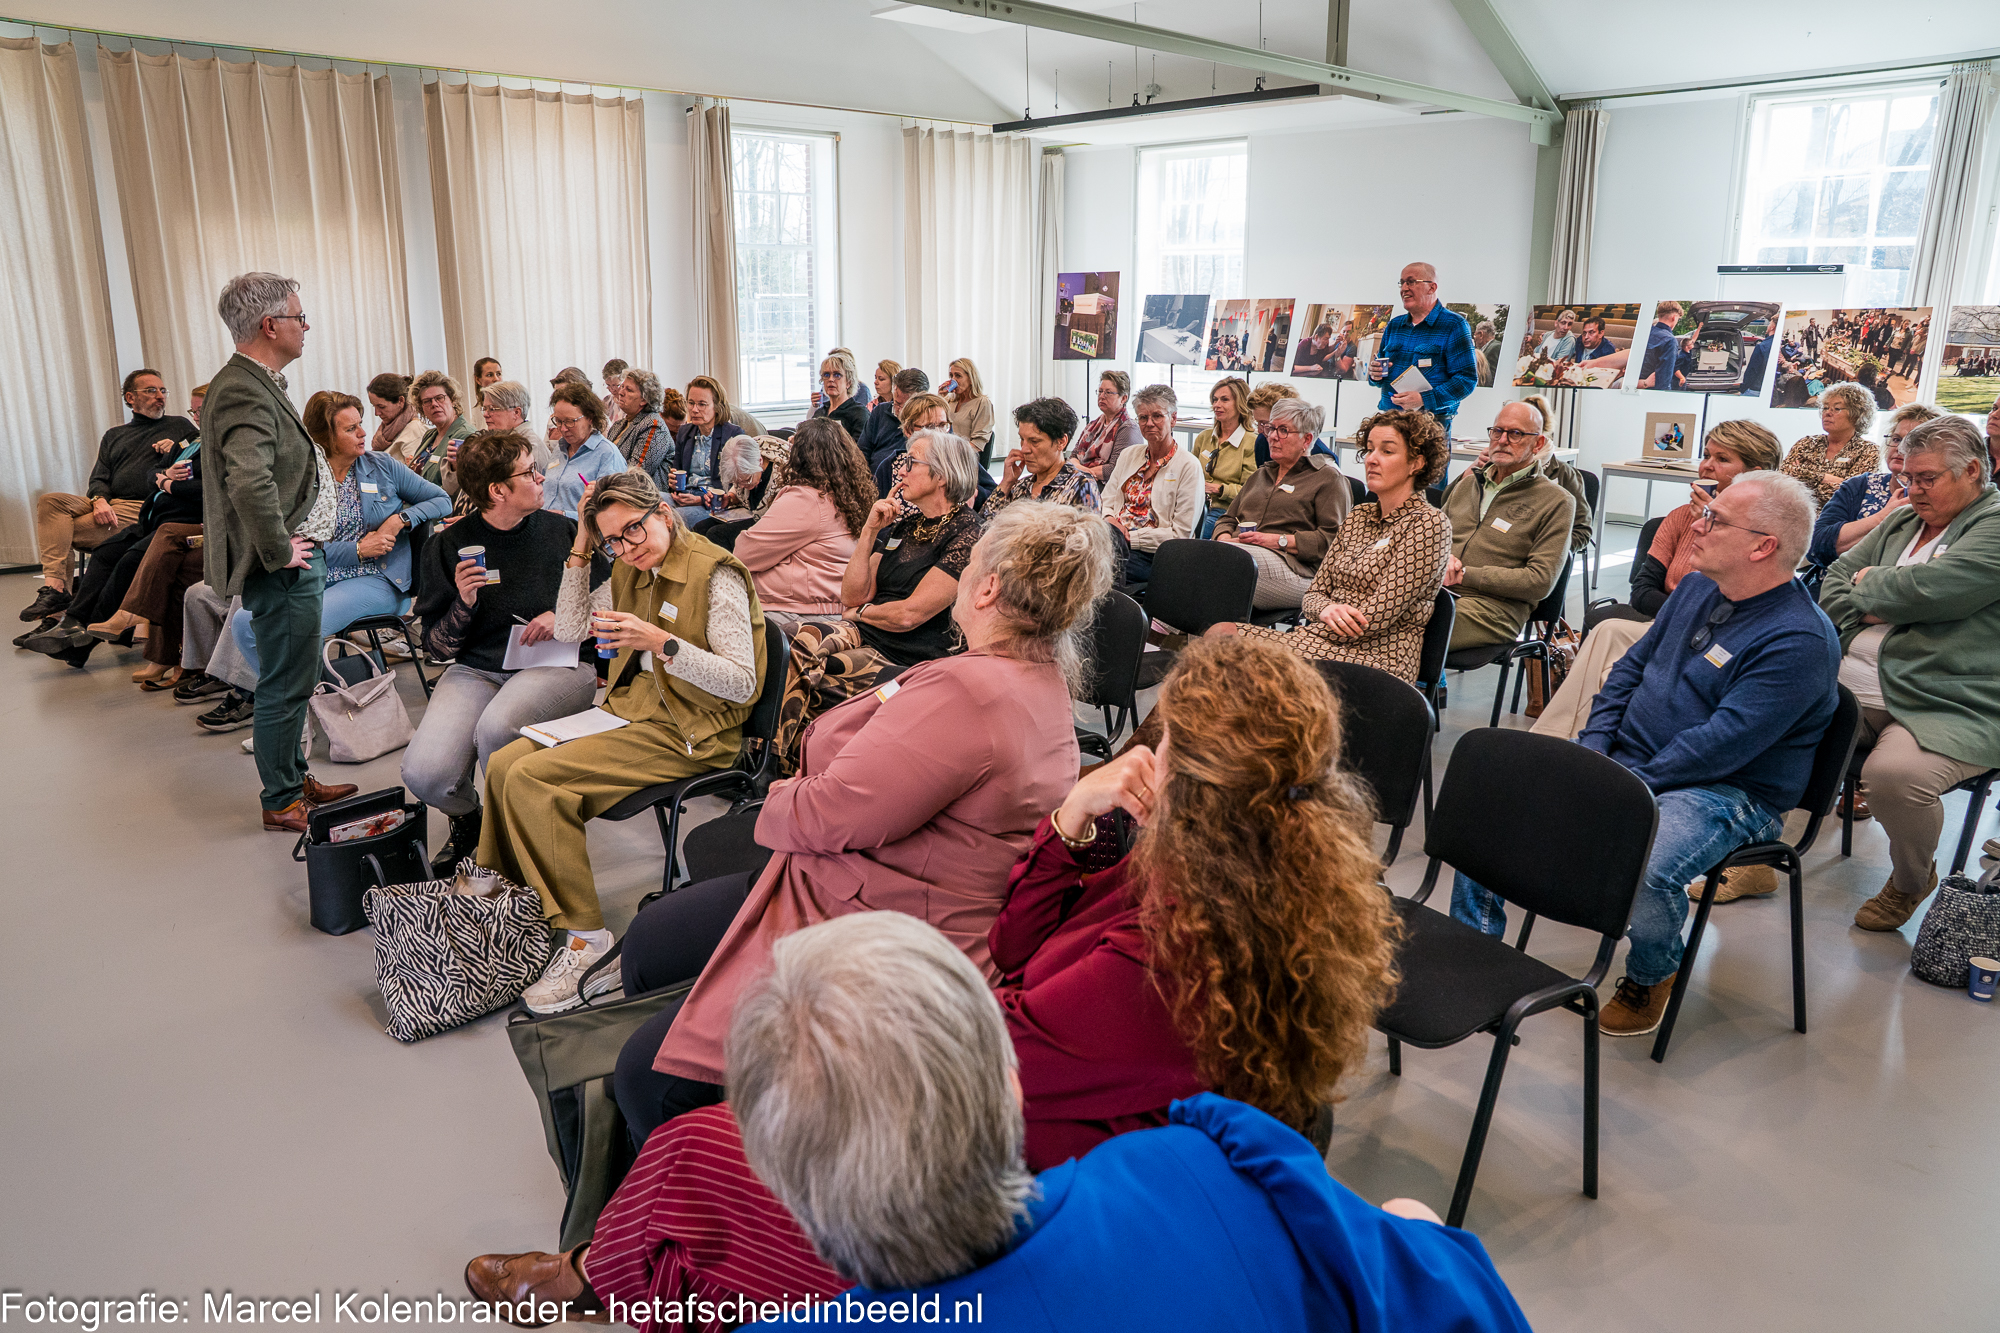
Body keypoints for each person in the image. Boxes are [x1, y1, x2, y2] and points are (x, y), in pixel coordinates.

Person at [602, 914, 1525, 1333]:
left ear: (778, 1177)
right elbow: (1469, 1304)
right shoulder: (1206, 1164)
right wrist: (1413, 1232)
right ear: (1010, 1087)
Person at [618, 500, 1111, 1137]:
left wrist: (777, 795)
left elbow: (826, 812)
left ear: (987, 587)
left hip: (881, 920)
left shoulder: (970, 692)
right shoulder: (1035, 676)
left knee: (645, 1075)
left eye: (968, 564)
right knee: (652, 940)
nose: (960, 573)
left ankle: (705, 1156)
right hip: (868, 882)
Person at [1458, 471, 1839, 1035]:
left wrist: (1618, 784)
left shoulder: (1799, 640)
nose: (1696, 525)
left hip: (1728, 791)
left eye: (1715, 519)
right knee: (1492, 810)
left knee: (1646, 867)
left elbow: (1720, 745)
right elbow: (1628, 671)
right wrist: (1594, 750)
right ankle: (1476, 950)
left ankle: (1653, 972)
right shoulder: (1697, 588)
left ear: (1763, 547)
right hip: (1632, 760)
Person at [476, 469, 768, 1015]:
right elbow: (569, 630)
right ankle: (513, 910)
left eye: (634, 529)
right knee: (503, 763)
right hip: (632, 713)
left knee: (534, 779)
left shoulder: (715, 573)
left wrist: (662, 643)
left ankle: (588, 943)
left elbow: (742, 683)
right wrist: (582, 546)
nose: (627, 547)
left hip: (693, 731)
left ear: (664, 514)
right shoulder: (630, 568)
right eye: (614, 539)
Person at [1822, 416, 2000, 932]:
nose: (1913, 490)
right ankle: (1758, 853)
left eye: (1927, 479)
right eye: (1908, 477)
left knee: (1895, 778)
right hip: (1849, 683)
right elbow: (1833, 583)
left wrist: (1874, 587)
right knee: (1765, 725)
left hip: (1947, 696)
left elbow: (1935, 590)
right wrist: (1884, 599)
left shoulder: (1994, 525)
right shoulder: (1902, 522)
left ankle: (1910, 880)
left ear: (1972, 471)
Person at [401, 430, 607, 875]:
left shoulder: (561, 531)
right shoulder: (449, 545)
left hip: (559, 663)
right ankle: (471, 820)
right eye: (529, 472)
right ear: (497, 491)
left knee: (497, 729)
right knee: (425, 775)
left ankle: (507, 845)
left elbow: (609, 598)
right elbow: (435, 648)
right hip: (478, 670)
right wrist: (463, 603)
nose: (541, 478)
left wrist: (563, 613)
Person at [200, 273, 359, 832]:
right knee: (286, 682)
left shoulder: (256, 381)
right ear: (271, 325)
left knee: (294, 674)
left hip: (295, 558)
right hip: (286, 565)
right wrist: (277, 548)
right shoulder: (243, 387)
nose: (306, 326)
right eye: (299, 316)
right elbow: (248, 479)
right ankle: (282, 799)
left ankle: (294, 777)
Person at [226, 390, 449, 711]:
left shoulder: (381, 465)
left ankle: (299, 714)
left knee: (298, 625)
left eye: (360, 424)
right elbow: (304, 547)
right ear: (325, 437)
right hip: (320, 575)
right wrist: (357, 549)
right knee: (244, 622)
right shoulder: (301, 479)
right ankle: (297, 708)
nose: (363, 433)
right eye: (350, 429)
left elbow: (442, 500)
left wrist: (399, 520)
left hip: (379, 580)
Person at [771, 430, 984, 766]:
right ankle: (777, 761)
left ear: (941, 475)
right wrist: (870, 530)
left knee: (817, 676)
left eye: (911, 463)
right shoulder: (905, 526)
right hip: (868, 632)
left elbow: (909, 615)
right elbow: (852, 594)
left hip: (911, 651)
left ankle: (781, 764)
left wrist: (860, 613)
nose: (900, 471)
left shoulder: (968, 533)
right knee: (789, 638)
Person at [1216, 409, 1452, 680]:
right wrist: (1324, 610)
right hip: (1320, 640)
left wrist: (1309, 631)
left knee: (1233, 652)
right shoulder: (1359, 516)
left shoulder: (1429, 524)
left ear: (1416, 463)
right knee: (1220, 635)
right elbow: (1313, 595)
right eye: (1370, 450)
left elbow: (1375, 617)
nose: (1372, 459)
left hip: (1378, 658)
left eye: (1387, 451)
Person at [24, 369, 199, 624]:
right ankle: (55, 592)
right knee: (51, 502)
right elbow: (98, 479)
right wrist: (99, 500)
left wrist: (174, 451)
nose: (160, 396)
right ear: (130, 397)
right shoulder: (114, 435)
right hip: (108, 502)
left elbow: (194, 462)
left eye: (163, 390)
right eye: (151, 390)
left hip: (140, 506)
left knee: (58, 534)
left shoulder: (180, 427)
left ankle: (56, 608)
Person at [1611, 420, 1784, 622]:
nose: (1707, 466)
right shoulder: (1680, 516)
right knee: (1609, 629)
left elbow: (1739, 609)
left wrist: (1714, 525)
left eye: (1722, 459)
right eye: (1707, 456)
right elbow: (1641, 592)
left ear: (1753, 475)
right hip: (1667, 624)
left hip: (1725, 635)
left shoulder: (1765, 533)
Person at [1438, 401, 1575, 650]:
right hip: (1438, 593)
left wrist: (1465, 575)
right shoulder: (1468, 484)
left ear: (1538, 444)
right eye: (1497, 431)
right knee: (1373, 613)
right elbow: (1434, 541)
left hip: (1493, 609)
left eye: (1516, 434)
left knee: (1409, 626)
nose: (1502, 440)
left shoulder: (1556, 501)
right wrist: (1441, 559)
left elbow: (1539, 581)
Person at [733, 417, 875, 631]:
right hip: (828, 602)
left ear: (801, 456)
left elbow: (743, 553)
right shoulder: (849, 493)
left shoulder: (807, 499)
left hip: (804, 610)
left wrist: (781, 557)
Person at [1213, 399, 1351, 611]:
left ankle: (1174, 627)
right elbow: (1227, 518)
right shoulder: (1260, 475)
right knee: (1190, 555)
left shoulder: (1328, 479)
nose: (1272, 436)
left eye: (1284, 430)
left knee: (1228, 567)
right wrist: (1223, 541)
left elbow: (1333, 541)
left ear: (1307, 439)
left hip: (1297, 571)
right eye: (1271, 428)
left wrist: (1278, 541)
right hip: (1240, 557)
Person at [1808, 403, 1938, 573]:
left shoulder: (1937, 498)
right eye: (1896, 439)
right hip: (1836, 583)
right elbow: (1816, 547)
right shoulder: (1859, 485)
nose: (1900, 448)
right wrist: (1882, 517)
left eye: (1912, 442)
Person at [1101, 383, 1204, 591]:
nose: (1149, 423)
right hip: (1113, 541)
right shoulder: (1129, 455)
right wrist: (1111, 521)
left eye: (1157, 416)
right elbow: (1107, 500)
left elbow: (1180, 535)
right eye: (1143, 417)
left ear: (1173, 419)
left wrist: (1129, 537)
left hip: (1155, 556)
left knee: (1094, 567)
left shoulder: (1188, 465)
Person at [984, 397, 1100, 515]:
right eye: (1022, 439)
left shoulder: (1080, 486)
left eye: (1034, 441)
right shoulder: (1022, 486)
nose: (1024, 449)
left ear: (1061, 442)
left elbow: (1086, 526)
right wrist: (1007, 483)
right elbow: (982, 523)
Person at [1782, 382, 1881, 508]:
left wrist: (1802, 476)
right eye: (1825, 408)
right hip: (1792, 512)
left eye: (1837, 409)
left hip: (1836, 518)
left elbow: (1851, 495)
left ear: (1857, 414)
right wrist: (1827, 478)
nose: (1827, 413)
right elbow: (1782, 480)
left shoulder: (1869, 451)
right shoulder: (1807, 443)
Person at [665, 375, 746, 521]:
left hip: (711, 504)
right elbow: (677, 472)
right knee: (647, 502)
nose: (694, 409)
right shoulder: (684, 432)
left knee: (676, 517)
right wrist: (673, 483)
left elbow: (736, 487)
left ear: (717, 407)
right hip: (685, 496)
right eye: (691, 403)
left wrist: (700, 499)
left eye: (702, 404)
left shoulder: (733, 435)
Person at [540, 382, 625, 520]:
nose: (563, 429)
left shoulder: (607, 454)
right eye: (558, 421)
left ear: (590, 418)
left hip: (578, 529)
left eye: (570, 421)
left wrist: (564, 516)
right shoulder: (559, 450)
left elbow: (612, 512)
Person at [1193, 376, 1255, 534]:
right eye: (1215, 400)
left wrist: (1220, 489)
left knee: (1193, 534)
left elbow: (1250, 492)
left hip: (1225, 512)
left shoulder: (1251, 443)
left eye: (1224, 399)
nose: (1217, 405)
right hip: (1195, 505)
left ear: (1240, 404)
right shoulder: (1204, 437)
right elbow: (1189, 475)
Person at [1071, 369, 1141, 483]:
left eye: (1108, 392)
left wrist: (1080, 472)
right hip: (1081, 481)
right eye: (1100, 391)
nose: (1102, 396)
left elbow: (1114, 469)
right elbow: (1073, 456)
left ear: (1123, 398)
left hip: (1105, 487)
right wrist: (1082, 471)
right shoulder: (1092, 425)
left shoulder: (1128, 428)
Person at [407, 370, 473, 489]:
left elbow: (458, 487)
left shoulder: (465, 435)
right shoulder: (430, 434)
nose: (434, 404)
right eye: (427, 401)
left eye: (440, 398)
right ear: (422, 408)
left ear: (452, 400)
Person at [858, 366, 928, 473]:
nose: (900, 410)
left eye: (907, 406)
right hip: (873, 477)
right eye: (897, 403)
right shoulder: (880, 411)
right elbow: (862, 451)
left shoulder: (931, 420)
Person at [606, 368, 670, 476]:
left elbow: (636, 473)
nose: (620, 392)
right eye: (622, 387)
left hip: (637, 486)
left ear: (644, 400)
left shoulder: (654, 426)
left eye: (629, 390)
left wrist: (603, 481)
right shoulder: (617, 425)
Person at [943, 357, 995, 460]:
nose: (953, 380)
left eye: (958, 376)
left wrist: (952, 455)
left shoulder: (982, 403)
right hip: (946, 455)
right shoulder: (949, 400)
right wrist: (940, 397)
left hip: (966, 458)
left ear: (971, 379)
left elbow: (977, 444)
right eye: (951, 376)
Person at [366, 373, 424, 464]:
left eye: (381, 407)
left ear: (400, 401)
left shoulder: (415, 430)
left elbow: (415, 471)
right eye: (374, 406)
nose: (377, 413)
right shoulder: (387, 430)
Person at [813, 350, 868, 446]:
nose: (830, 379)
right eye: (826, 375)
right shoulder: (819, 413)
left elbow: (860, 450)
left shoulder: (859, 413)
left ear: (848, 382)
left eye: (837, 375)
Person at [1638, 301, 1684, 391]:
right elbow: (1664, 379)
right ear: (1674, 317)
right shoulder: (1670, 340)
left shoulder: (1645, 333)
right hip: (1651, 390)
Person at [468, 356, 502, 430]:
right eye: (489, 375)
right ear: (478, 380)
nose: (496, 379)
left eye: (498, 374)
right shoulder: (477, 410)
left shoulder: (509, 405)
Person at [601, 358, 630, 428]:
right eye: (608, 385)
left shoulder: (632, 403)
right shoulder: (607, 401)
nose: (612, 390)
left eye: (616, 385)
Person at [1473, 319, 1502, 386]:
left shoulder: (1495, 348)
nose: (1474, 338)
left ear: (1481, 335)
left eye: (1475, 335)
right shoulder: (1491, 347)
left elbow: (1492, 379)